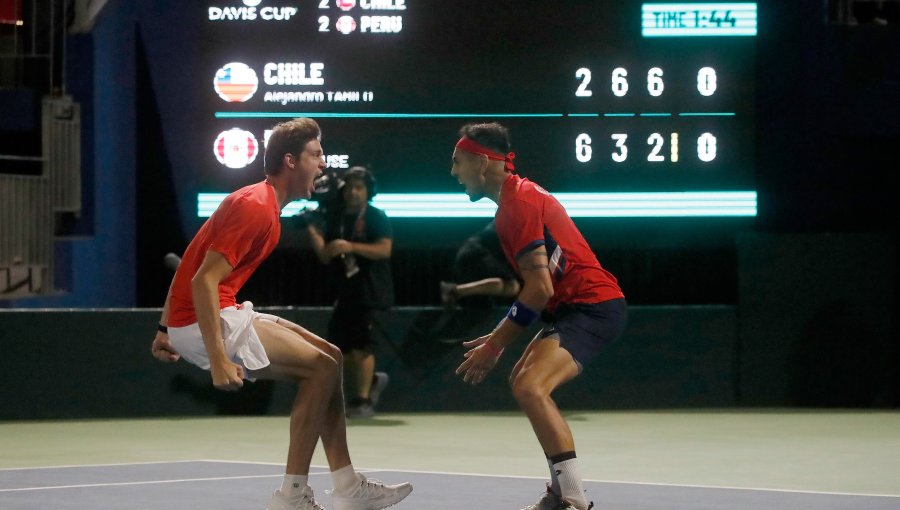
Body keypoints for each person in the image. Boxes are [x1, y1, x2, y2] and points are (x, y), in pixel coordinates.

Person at [149, 118, 412, 510]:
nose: (322, 163)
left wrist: (162, 328)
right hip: (206, 320)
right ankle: (292, 496)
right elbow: (204, 280)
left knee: (332, 358)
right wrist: (218, 358)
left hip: (203, 317)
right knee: (319, 370)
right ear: (290, 160)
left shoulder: (264, 205)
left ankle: (347, 486)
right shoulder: (256, 207)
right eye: (316, 154)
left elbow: (190, 259)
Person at [450, 122, 626, 510]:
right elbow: (538, 288)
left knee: (531, 387)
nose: (453, 172)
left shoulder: (521, 204)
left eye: (457, 161)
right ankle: (560, 492)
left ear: (482, 162)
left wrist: (495, 345)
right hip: (568, 310)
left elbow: (539, 289)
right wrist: (499, 335)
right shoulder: (512, 203)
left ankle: (575, 499)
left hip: (593, 308)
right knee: (522, 382)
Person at [305, 166, 394, 419]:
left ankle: (364, 401)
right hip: (345, 292)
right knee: (340, 349)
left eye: (359, 188)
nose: (353, 193)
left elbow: (384, 250)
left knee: (361, 348)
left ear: (368, 191)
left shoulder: (376, 216)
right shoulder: (336, 217)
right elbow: (324, 255)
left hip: (371, 291)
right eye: (350, 188)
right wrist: (313, 230)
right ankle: (373, 380)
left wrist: (350, 245)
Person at [440, 220, 520, 309]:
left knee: (485, 307)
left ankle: (455, 293)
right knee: (512, 285)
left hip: (470, 253)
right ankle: (454, 291)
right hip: (477, 254)